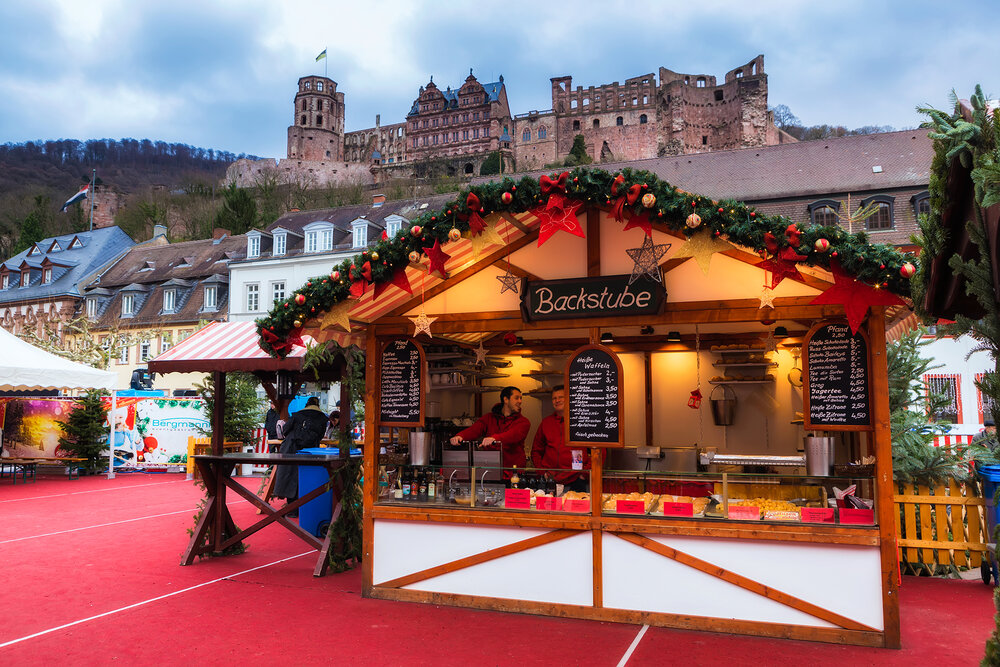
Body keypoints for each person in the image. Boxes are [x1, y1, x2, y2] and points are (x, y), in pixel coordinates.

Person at [449, 386, 530, 472]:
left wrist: (494, 438)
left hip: (513, 473)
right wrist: (460, 436)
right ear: (506, 399)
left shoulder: (523, 422)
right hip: (490, 471)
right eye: (516, 398)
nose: (520, 401)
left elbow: (513, 435)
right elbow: (475, 429)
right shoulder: (489, 418)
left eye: (521, 398)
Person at [531, 385, 594, 492]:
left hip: (575, 480)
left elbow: (599, 450)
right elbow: (536, 451)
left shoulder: (583, 421)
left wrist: (584, 473)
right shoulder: (546, 423)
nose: (557, 400)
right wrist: (542, 472)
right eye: (554, 398)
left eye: (561, 397)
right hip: (550, 481)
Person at [272, 397, 328, 509]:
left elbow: (285, 430)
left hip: (290, 447)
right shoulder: (322, 418)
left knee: (288, 475)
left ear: (306, 404)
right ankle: (305, 506)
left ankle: (291, 507)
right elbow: (321, 435)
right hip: (310, 450)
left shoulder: (297, 415)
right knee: (306, 476)